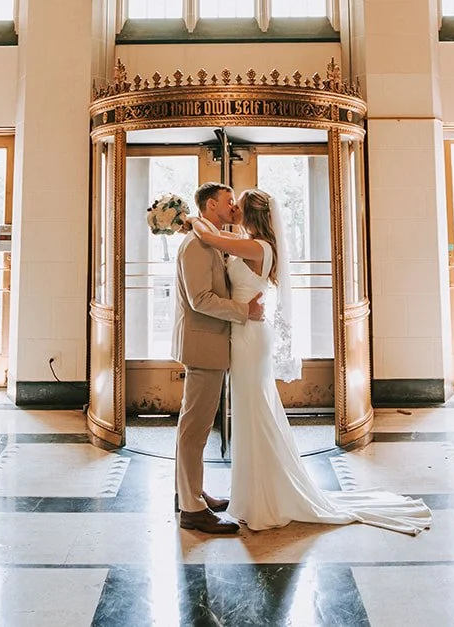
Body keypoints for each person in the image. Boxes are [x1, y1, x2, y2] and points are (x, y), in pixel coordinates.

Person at [188, 188, 433, 536]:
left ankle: (265, 497)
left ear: (252, 214)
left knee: (255, 410)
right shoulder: (249, 241)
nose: (234, 209)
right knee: (250, 411)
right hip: (245, 333)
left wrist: (190, 218)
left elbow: (208, 236)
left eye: (237, 206)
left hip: (250, 336)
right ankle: (250, 493)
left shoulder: (259, 248)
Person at [171, 182, 265, 534]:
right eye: (228, 202)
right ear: (211, 205)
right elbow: (201, 300)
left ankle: (192, 492)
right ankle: (192, 509)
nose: (233, 208)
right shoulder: (196, 245)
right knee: (195, 429)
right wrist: (245, 311)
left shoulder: (206, 237)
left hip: (210, 344)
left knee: (196, 426)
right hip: (203, 345)